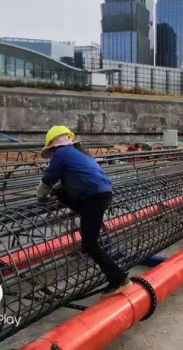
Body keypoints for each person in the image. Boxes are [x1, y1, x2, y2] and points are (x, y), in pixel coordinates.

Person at [36, 126, 132, 296]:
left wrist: (41, 197)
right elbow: (68, 179)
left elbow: (49, 178)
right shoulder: (77, 152)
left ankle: (119, 279)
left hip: (93, 198)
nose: (51, 155)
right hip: (101, 194)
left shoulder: (61, 154)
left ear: (53, 146)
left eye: (50, 151)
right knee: (61, 192)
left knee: (89, 244)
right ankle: (116, 275)